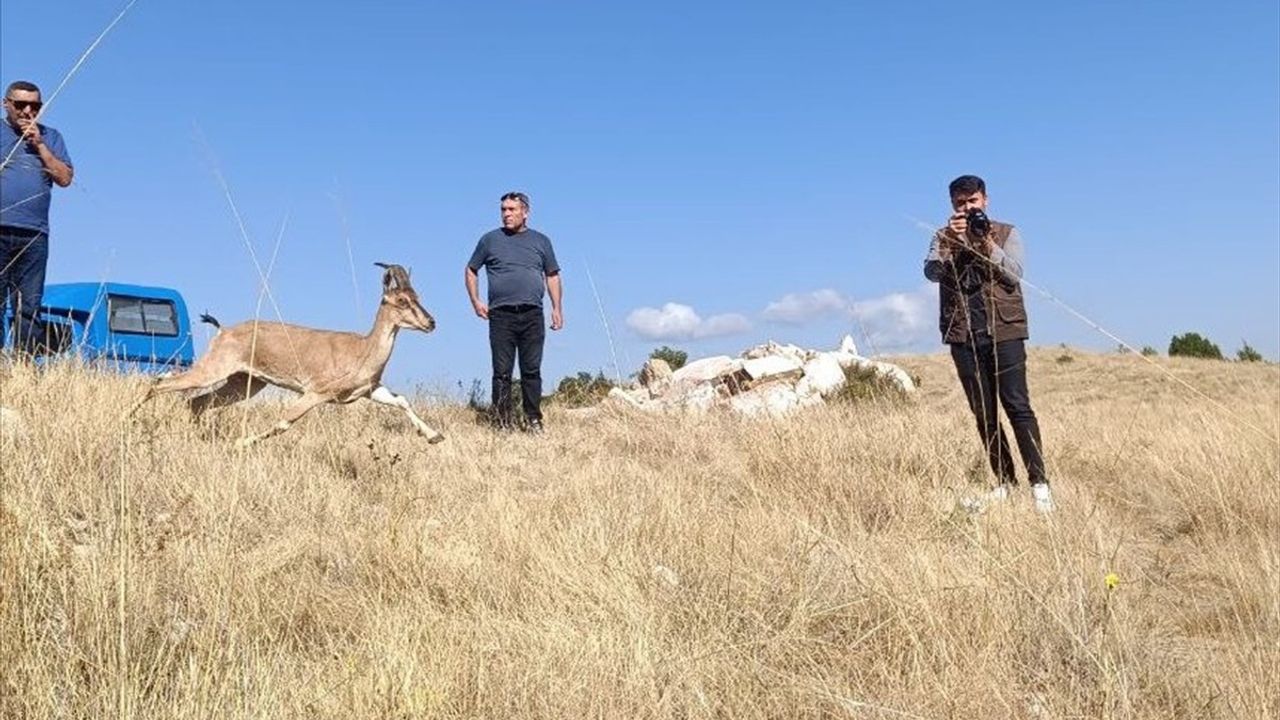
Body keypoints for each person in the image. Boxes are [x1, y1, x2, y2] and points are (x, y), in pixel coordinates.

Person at [924, 175, 1054, 513]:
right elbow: (931, 273)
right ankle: (1005, 483)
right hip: (963, 335)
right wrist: (952, 242)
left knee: (1018, 407)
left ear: (985, 200)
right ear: (952, 205)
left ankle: (1039, 484)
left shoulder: (1008, 232)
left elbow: (1013, 274)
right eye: (959, 203)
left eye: (972, 202)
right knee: (984, 413)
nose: (966, 209)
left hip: (1005, 331)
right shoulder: (942, 236)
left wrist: (984, 242)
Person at [465, 191, 563, 433]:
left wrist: (557, 308)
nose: (506, 214)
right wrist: (475, 300)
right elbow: (470, 269)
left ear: (525, 212)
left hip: (532, 314)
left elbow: (552, 275)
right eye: (503, 210)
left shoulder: (541, 241)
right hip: (501, 315)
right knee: (502, 372)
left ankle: (533, 420)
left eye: (511, 210)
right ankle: (501, 422)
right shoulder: (489, 240)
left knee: (531, 370)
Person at [0, 80, 74, 354]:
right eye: (20, 105)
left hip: (34, 233)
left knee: (29, 304)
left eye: (35, 105)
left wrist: (40, 145)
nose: (28, 110)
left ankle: (24, 364)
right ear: (6, 104)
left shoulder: (51, 136)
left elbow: (65, 178)